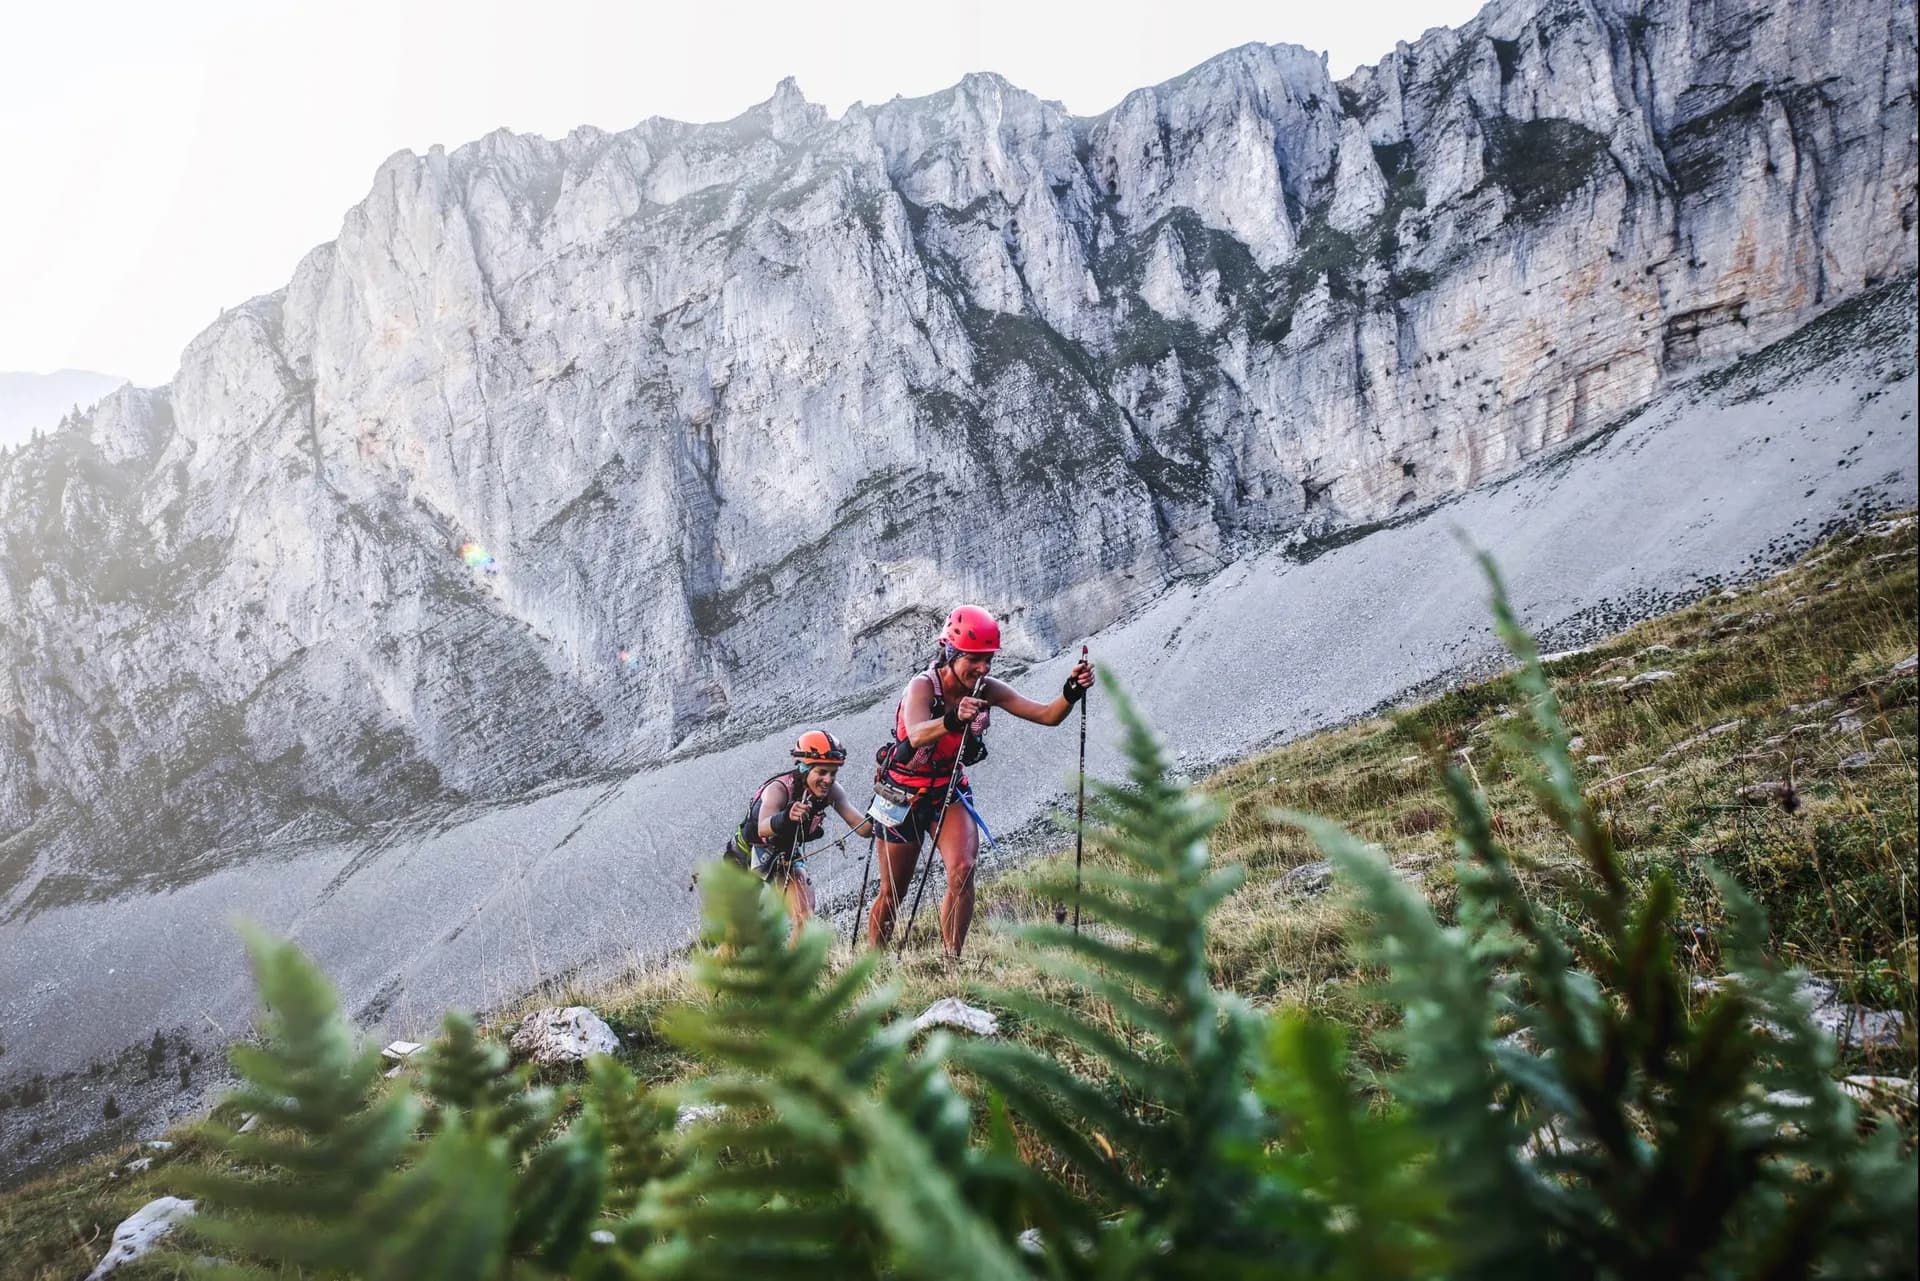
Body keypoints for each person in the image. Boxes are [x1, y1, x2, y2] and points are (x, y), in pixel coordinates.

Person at [866, 605, 1094, 956]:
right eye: (975, 658)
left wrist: (1070, 690)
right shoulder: (922, 687)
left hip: (947, 790)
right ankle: (873, 964)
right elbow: (915, 733)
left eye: (988, 659)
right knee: (893, 891)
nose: (984, 667)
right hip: (902, 794)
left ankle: (951, 961)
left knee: (963, 869)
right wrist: (955, 718)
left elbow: (1048, 716)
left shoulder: (987, 688)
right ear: (952, 652)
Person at [725, 730, 871, 931]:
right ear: (804, 769)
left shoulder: (833, 792)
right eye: (821, 772)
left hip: (786, 854)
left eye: (833, 773)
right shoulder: (779, 789)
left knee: (804, 917)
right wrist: (786, 816)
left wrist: (886, 809)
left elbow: (863, 829)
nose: (828, 780)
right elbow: (762, 827)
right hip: (745, 854)